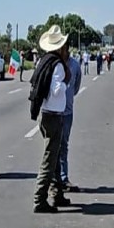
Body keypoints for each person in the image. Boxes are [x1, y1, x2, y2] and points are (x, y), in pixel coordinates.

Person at [33, 26, 73, 213]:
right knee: (50, 159)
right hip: (53, 115)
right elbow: (56, 90)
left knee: (55, 157)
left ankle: (56, 195)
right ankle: (39, 199)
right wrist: (66, 82)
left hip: (46, 113)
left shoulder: (45, 61)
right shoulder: (56, 65)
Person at [59, 50, 83, 192]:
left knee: (64, 145)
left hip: (67, 111)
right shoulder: (52, 62)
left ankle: (63, 178)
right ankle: (53, 181)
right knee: (52, 148)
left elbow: (76, 87)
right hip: (52, 113)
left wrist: (67, 98)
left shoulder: (74, 65)